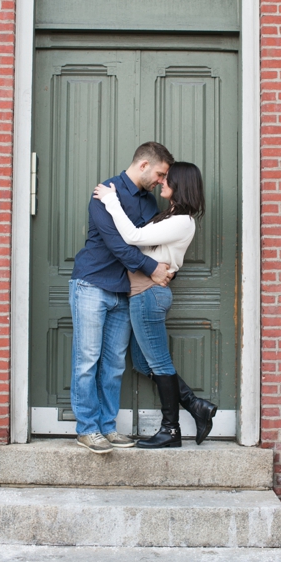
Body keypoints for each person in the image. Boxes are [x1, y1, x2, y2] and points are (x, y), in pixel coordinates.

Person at [93, 161, 217, 449]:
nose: (162, 183)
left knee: (159, 362)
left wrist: (111, 201)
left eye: (167, 179)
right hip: (141, 294)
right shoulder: (167, 216)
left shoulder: (182, 221)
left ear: (180, 185)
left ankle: (171, 430)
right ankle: (195, 404)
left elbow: (133, 238)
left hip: (149, 295)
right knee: (142, 361)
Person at [69, 142, 174, 455]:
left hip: (124, 291)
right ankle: (87, 429)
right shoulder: (106, 192)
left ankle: (107, 426)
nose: (160, 180)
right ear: (143, 165)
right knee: (87, 359)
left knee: (114, 364)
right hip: (91, 284)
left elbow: (149, 243)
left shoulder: (150, 203)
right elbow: (119, 246)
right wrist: (153, 269)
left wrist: (162, 266)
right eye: (159, 173)